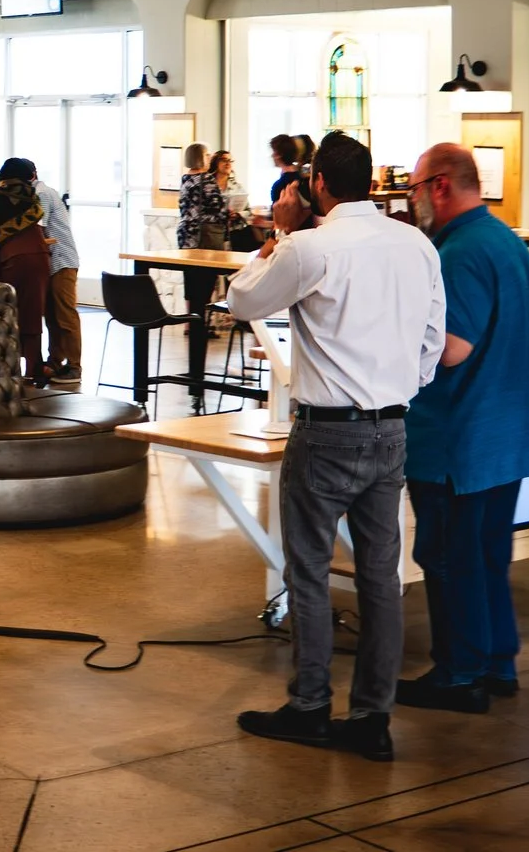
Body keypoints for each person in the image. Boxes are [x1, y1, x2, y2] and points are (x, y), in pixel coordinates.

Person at [226, 132, 443, 762]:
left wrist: (278, 233)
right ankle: (373, 718)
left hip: (325, 432)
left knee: (310, 571)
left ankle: (310, 706)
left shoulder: (308, 247)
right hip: (391, 427)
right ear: (370, 182)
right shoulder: (416, 244)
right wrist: (395, 390)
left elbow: (242, 301)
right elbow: (432, 338)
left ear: (317, 183)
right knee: (380, 576)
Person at [398, 143, 529, 713]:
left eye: (414, 188)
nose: (411, 200)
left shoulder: (458, 251)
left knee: (449, 556)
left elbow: (452, 349)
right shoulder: (505, 240)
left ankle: (460, 672)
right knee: (488, 553)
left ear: (439, 186)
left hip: (460, 439)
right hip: (505, 432)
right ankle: (495, 661)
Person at [0, 158, 52, 382]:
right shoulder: (32, 196)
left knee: (7, 314)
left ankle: (8, 368)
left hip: (13, 258)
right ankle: (33, 369)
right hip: (40, 255)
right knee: (33, 314)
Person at [37, 173, 83, 382]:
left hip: (61, 260)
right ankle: (55, 362)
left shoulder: (41, 193)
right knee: (52, 315)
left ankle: (74, 367)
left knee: (65, 314)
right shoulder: (39, 192)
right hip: (52, 261)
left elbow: (38, 228)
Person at [177, 144, 235, 250]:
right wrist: (229, 212)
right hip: (205, 236)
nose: (210, 158)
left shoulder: (186, 178)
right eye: (207, 155)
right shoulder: (207, 179)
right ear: (199, 158)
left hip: (186, 234)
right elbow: (217, 208)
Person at [266, 134, 303, 214]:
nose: (271, 156)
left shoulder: (280, 185)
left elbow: (278, 216)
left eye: (273, 152)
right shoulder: (303, 178)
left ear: (279, 155)